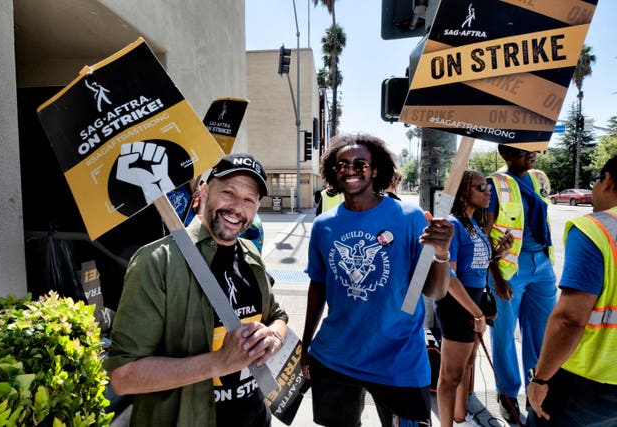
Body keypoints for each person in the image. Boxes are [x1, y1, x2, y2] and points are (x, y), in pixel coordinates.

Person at [104, 153, 288, 427]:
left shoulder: (250, 254)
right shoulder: (157, 261)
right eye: (228, 192)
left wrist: (273, 336)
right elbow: (123, 377)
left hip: (256, 418)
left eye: (249, 200)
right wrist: (219, 363)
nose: (238, 208)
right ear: (203, 190)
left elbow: (278, 316)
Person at [300, 133, 454, 427]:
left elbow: (434, 290)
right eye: (342, 164)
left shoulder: (409, 218)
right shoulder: (323, 226)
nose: (350, 170)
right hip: (335, 358)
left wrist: (442, 253)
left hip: (399, 363)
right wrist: (306, 344)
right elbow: (318, 286)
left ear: (376, 170)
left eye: (360, 164)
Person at [526, 155, 617, 427]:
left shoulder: (597, 228)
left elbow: (570, 320)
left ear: (608, 180)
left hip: (587, 380)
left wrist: (540, 379)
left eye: (595, 181)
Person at [485, 144, 557, 422]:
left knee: (541, 335)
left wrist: (547, 265)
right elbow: (485, 235)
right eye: (522, 150)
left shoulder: (539, 178)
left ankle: (535, 392)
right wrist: (497, 278)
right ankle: (507, 393)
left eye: (532, 149)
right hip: (509, 270)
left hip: (542, 264)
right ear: (505, 154)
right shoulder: (496, 183)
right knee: (503, 335)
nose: (531, 153)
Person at [435, 171, 513, 427]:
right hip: (458, 303)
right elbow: (449, 274)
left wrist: (499, 252)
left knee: (467, 365)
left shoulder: (473, 224)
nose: (488, 192)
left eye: (488, 187)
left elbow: (476, 264)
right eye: (482, 188)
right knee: (450, 375)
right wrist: (476, 313)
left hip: (473, 301)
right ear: (464, 192)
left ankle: (460, 417)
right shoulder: (453, 224)